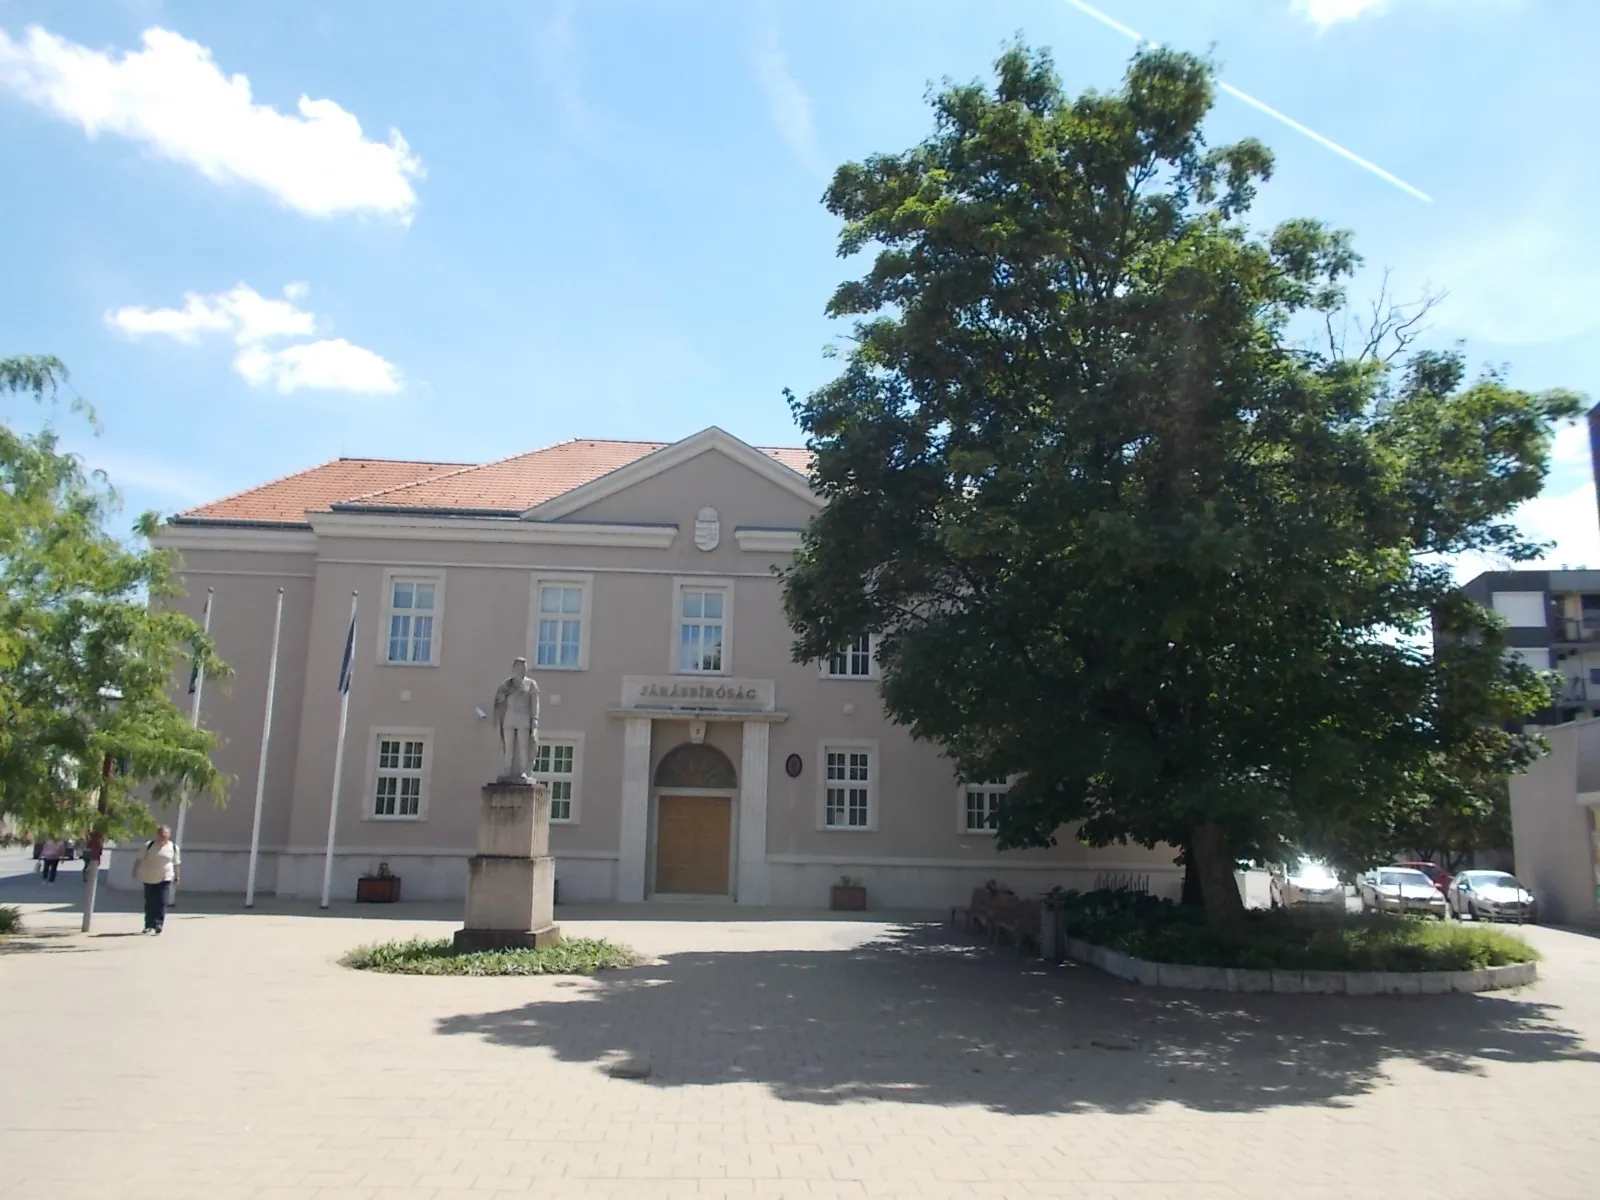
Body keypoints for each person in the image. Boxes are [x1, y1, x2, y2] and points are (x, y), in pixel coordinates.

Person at [131, 826, 181, 935]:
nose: (163, 835)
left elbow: (176, 864)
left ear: (169, 835)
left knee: (162, 901)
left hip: (165, 878)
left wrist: (177, 877)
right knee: (150, 902)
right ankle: (148, 925)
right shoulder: (149, 845)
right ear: (157, 834)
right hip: (149, 878)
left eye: (165, 833)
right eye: (161, 833)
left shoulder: (173, 847)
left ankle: (158, 924)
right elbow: (139, 859)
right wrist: (135, 871)